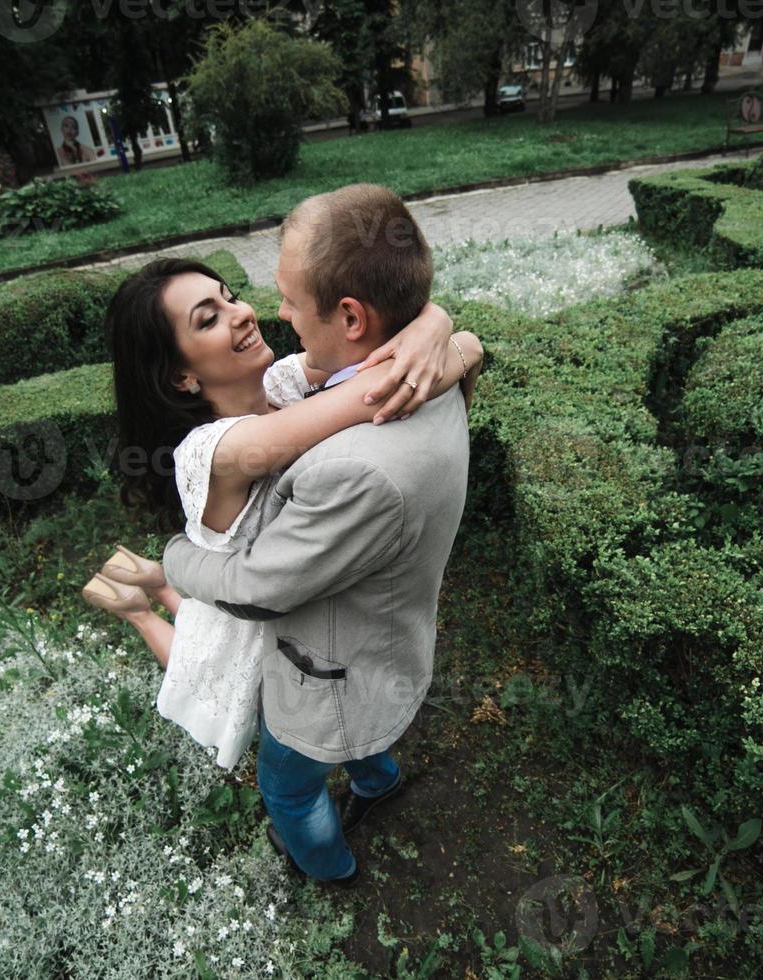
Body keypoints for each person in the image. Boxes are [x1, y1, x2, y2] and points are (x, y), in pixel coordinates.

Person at [160, 183, 474, 886]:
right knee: (363, 739)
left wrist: (174, 559)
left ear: (352, 316)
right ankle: (378, 781)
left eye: (289, 299)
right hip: (386, 629)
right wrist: (438, 325)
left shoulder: (353, 468)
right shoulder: (427, 372)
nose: (269, 312)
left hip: (328, 668)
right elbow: (457, 347)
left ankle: (332, 872)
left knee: (290, 789)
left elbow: (255, 587)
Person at [83, 245, 481, 776]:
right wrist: (436, 329)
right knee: (208, 674)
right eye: (210, 319)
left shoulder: (279, 383)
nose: (244, 312)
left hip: (286, 597)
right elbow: (372, 389)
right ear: (181, 376)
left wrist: (436, 324)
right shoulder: (214, 450)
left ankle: (156, 585)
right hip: (242, 610)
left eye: (229, 297)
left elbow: (399, 356)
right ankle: (138, 606)